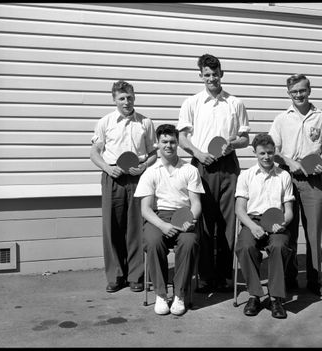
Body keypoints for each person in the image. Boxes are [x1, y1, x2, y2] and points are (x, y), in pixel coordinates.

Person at [177, 53, 250, 292]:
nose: (212, 78)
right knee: (205, 221)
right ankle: (206, 275)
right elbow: (182, 138)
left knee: (228, 221)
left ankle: (225, 276)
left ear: (222, 73)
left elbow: (245, 139)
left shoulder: (235, 103)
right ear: (201, 76)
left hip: (228, 166)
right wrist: (197, 154)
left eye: (215, 73)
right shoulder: (192, 103)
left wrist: (233, 144)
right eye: (207, 75)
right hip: (202, 165)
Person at [269, 74, 322, 297]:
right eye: (294, 92)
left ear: (309, 90)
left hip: (313, 180)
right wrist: (289, 162)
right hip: (288, 178)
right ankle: (289, 278)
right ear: (288, 93)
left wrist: (321, 161)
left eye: (302, 90)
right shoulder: (281, 119)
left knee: (313, 232)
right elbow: (273, 151)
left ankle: (315, 280)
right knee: (288, 230)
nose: (298, 95)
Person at [90, 80, 157, 293]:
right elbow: (94, 153)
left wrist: (145, 166)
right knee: (113, 227)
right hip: (113, 177)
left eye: (129, 97)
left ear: (134, 97)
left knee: (136, 227)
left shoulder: (145, 123)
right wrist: (108, 170)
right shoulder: (105, 122)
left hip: (137, 177)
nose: (126, 102)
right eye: (121, 98)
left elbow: (154, 153)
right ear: (114, 100)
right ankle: (116, 276)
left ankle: (136, 276)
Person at [134, 124, 204, 316]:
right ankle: (161, 294)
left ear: (177, 144)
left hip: (184, 216)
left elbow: (196, 203)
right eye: (164, 141)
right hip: (159, 218)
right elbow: (145, 209)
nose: (169, 145)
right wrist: (163, 225)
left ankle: (180, 295)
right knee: (153, 241)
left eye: (173, 141)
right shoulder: (150, 172)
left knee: (189, 242)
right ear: (158, 144)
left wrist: (190, 219)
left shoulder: (190, 170)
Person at [235, 134, 294, 319]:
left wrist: (283, 223)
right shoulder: (246, 175)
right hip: (253, 221)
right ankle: (254, 295)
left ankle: (275, 297)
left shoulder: (284, 176)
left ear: (274, 152)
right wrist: (252, 227)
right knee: (245, 246)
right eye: (262, 153)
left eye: (270, 152)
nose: (266, 157)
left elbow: (289, 210)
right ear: (255, 153)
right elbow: (239, 209)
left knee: (279, 246)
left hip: (276, 222)